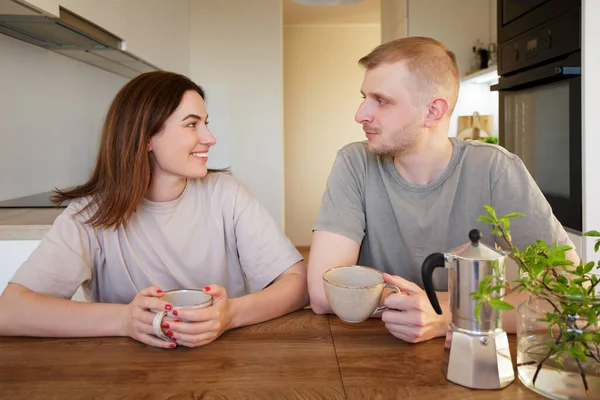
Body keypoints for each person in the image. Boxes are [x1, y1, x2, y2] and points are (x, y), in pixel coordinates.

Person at [0, 71, 308, 349]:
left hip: (223, 364)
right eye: (191, 124)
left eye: (206, 123)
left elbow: (297, 285)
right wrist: (124, 320)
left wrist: (231, 315)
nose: (210, 138)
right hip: (126, 376)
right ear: (146, 138)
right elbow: (10, 311)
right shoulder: (89, 215)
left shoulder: (228, 195)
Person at [307, 37, 579, 343]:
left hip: (472, 357)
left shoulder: (495, 169)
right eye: (365, 97)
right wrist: (438, 306)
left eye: (381, 100)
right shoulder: (355, 163)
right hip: (374, 352)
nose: (360, 114)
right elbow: (321, 292)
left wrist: (445, 315)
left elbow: (571, 294)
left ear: (433, 111)